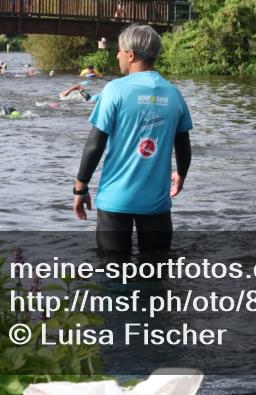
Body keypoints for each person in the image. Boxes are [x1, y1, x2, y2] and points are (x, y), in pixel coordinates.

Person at [72, 24, 193, 257]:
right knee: (157, 273)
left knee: (112, 273)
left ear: (131, 54)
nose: (117, 55)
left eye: (119, 50)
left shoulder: (114, 90)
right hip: (156, 203)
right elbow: (183, 145)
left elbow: (95, 144)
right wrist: (181, 174)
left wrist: (80, 188)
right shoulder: (174, 93)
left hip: (116, 200)